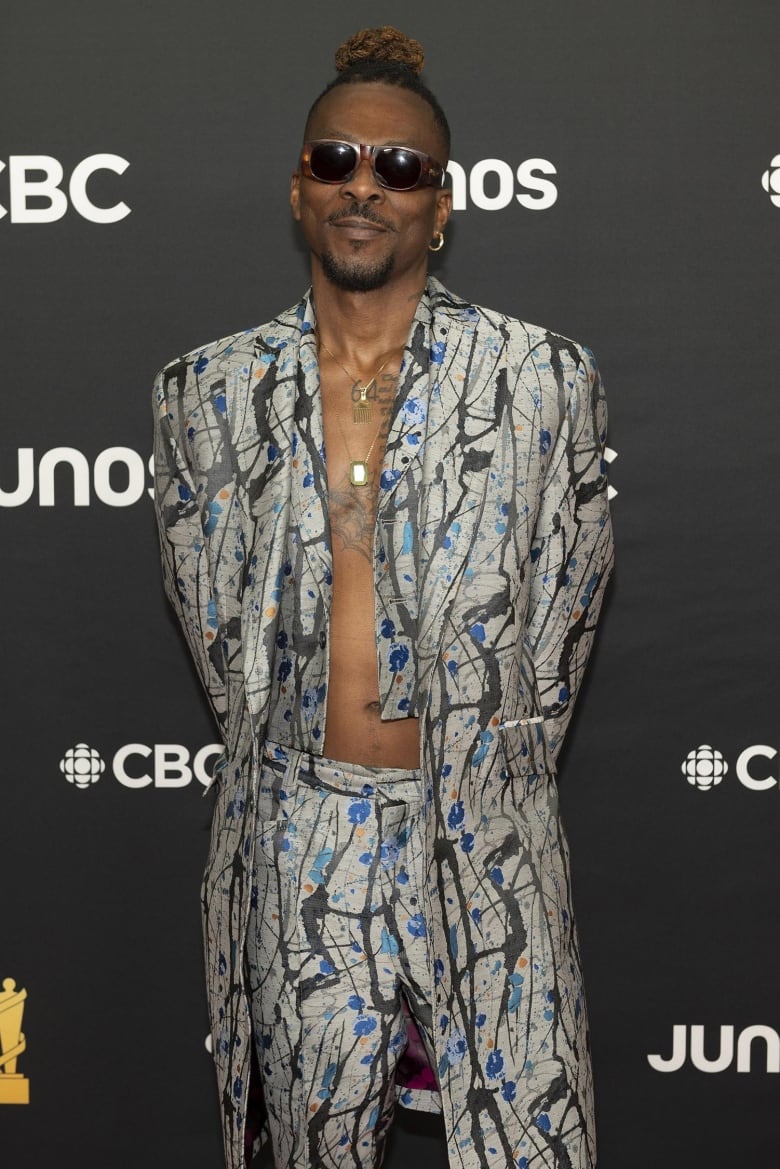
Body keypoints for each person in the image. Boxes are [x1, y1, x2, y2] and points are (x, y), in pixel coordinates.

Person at [153, 25, 613, 1169]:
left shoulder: (540, 379)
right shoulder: (206, 393)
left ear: (441, 204)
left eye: (399, 169)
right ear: (299, 187)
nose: (366, 188)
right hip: (299, 833)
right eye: (337, 161)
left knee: (531, 1146)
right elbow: (219, 639)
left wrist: (482, 765)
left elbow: (565, 617)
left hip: (486, 833)